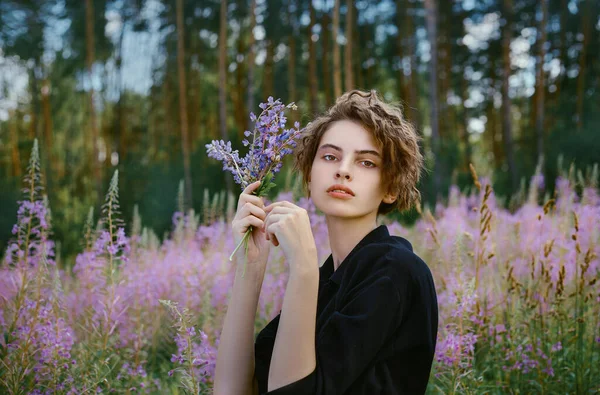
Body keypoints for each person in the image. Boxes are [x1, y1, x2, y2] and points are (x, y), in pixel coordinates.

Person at [214, 90, 438, 395]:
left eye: (367, 163)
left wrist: (304, 266)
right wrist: (250, 270)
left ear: (391, 188)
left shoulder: (398, 272)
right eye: (330, 156)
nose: (343, 170)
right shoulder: (325, 285)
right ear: (309, 175)